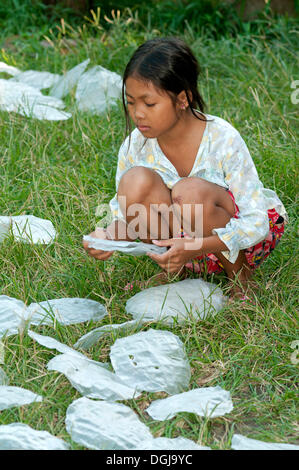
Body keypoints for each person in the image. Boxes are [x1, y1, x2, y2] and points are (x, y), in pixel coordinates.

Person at [83, 37, 287, 299]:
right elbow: (129, 214)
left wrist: (195, 246)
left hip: (237, 241)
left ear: (183, 99)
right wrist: (106, 236)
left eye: (149, 103)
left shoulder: (222, 139)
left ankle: (240, 277)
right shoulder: (136, 145)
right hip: (180, 245)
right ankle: (173, 270)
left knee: (187, 191)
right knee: (135, 181)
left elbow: (255, 223)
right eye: (131, 102)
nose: (138, 114)